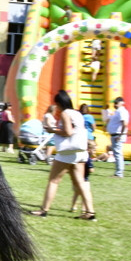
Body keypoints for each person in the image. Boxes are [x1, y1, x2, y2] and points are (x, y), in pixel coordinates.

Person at [29, 90, 95, 220]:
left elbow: (68, 132)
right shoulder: (78, 113)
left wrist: (51, 129)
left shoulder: (65, 113)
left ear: (59, 103)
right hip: (80, 152)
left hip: (67, 152)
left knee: (53, 181)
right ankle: (90, 212)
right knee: (81, 182)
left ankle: (44, 210)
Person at [70, 104, 97, 213]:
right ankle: (84, 208)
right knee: (84, 191)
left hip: (81, 140)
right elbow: (94, 127)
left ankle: (74, 206)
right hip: (84, 180)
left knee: (76, 193)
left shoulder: (78, 117)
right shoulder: (89, 117)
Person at [105, 96, 129, 178]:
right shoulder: (117, 111)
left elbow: (124, 123)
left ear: (121, 103)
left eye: (116, 103)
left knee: (118, 154)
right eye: (114, 103)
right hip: (116, 135)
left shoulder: (121, 111)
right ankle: (119, 172)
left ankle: (119, 173)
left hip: (117, 135)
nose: (115, 105)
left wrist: (120, 135)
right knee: (117, 154)